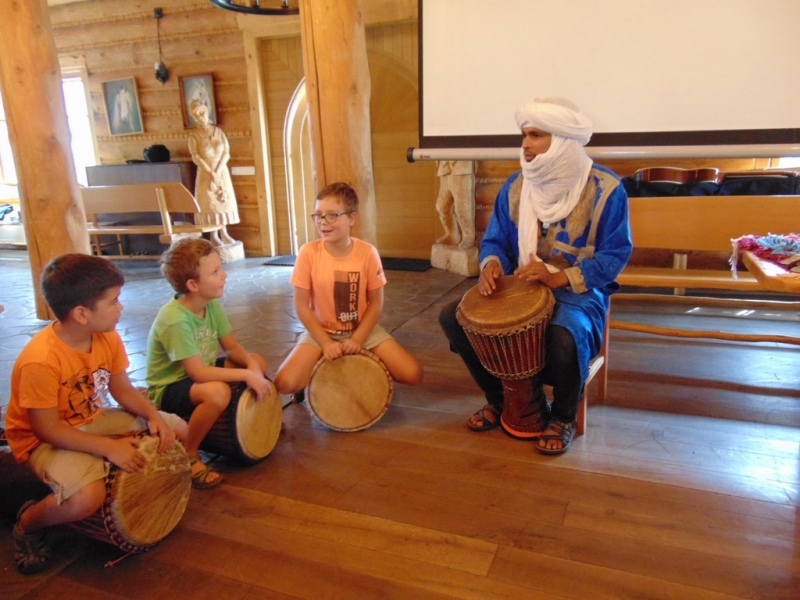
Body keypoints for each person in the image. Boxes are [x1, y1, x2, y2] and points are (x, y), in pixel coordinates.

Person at [439, 97, 632, 455]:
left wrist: (560, 277)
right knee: (454, 317)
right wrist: (492, 265)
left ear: (562, 140)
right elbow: (495, 240)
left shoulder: (605, 189)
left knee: (563, 334)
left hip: (579, 290)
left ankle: (563, 416)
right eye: (524, 135)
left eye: (536, 135)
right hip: (521, 286)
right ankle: (500, 399)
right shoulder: (516, 186)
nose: (525, 144)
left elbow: (615, 255)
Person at [4, 254, 188, 575]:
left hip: (90, 419)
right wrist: (108, 448)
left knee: (177, 427)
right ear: (81, 314)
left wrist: (154, 416)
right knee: (87, 498)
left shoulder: (107, 336)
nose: (121, 307)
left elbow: (123, 389)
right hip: (43, 439)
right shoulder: (40, 360)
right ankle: (28, 524)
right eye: (113, 302)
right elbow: (47, 429)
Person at [274, 182, 423, 399]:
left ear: (351, 219)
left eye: (332, 215)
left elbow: (376, 303)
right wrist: (325, 343)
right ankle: (318, 364)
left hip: (361, 330)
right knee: (285, 383)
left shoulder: (368, 253)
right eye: (318, 215)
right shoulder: (308, 253)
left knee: (413, 374)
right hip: (321, 332)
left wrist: (358, 340)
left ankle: (368, 363)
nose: (323, 222)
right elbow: (301, 305)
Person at [146, 237, 273, 489]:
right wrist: (247, 376)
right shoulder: (174, 319)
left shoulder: (210, 303)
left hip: (198, 371)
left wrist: (252, 368)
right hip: (169, 386)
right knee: (217, 392)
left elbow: (232, 347)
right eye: (215, 272)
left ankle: (252, 420)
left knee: (257, 361)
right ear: (193, 285)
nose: (224, 275)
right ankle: (191, 455)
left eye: (220, 268)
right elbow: (198, 373)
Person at [187, 100, 239, 246]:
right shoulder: (194, 135)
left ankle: (224, 233)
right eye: (196, 116)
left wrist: (218, 171)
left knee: (223, 201)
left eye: (201, 113)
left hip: (221, 170)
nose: (200, 117)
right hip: (205, 172)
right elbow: (195, 156)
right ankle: (213, 235)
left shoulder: (219, 132)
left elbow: (226, 153)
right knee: (210, 204)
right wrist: (211, 173)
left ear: (206, 111)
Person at [435, 160, 477, 249]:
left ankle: (468, 236)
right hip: (445, 168)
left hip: (461, 166)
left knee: (462, 207)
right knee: (441, 206)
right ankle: (451, 234)